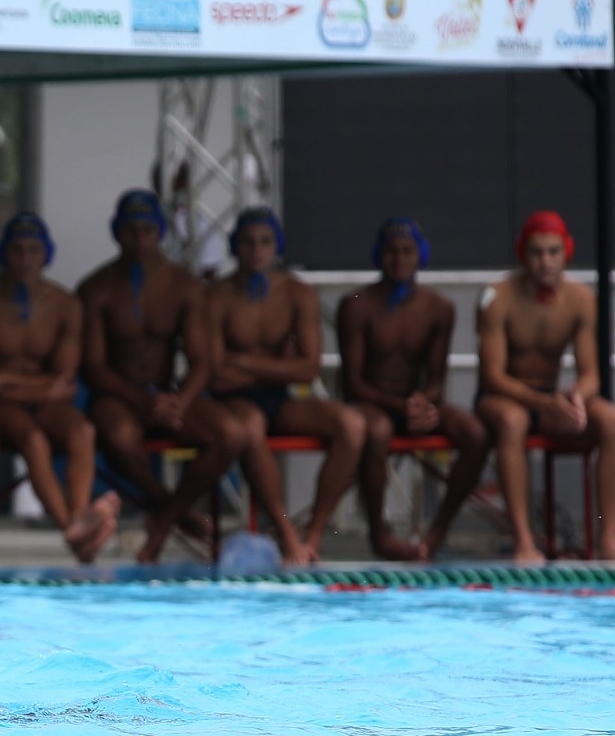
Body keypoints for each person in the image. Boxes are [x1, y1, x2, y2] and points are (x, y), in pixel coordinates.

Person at [78, 189, 244, 562]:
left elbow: (202, 362)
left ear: (161, 233)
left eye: (147, 231)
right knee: (120, 438)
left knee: (230, 434)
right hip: (117, 397)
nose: (139, 241)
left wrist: (178, 402)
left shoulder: (184, 286)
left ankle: (164, 520)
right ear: (116, 232)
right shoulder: (96, 290)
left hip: (167, 396)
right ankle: (177, 512)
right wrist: (144, 401)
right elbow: (93, 367)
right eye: (131, 231)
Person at [0, 213, 120, 563]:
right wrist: (39, 387)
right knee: (33, 440)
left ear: (46, 254)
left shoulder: (65, 304)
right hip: (7, 406)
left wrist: (4, 379)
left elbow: (65, 382)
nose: (25, 259)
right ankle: (74, 530)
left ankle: (78, 519)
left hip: (36, 399)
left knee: (82, 430)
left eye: (33, 250)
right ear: (4, 254)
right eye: (17, 250)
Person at [209, 207, 365, 564]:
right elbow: (216, 373)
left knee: (352, 425)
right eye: (247, 242)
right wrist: (279, 366)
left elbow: (308, 369)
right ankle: (286, 534)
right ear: (235, 247)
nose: (256, 250)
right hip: (233, 402)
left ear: (276, 246)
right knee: (250, 427)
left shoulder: (297, 293)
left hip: (277, 399)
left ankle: (313, 533)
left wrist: (246, 362)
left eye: (264, 242)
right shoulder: (217, 296)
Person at [336, 219, 488, 560]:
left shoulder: (438, 307)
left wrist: (426, 403)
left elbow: (436, 379)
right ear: (379, 256)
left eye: (407, 251)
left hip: (410, 403)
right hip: (370, 403)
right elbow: (353, 383)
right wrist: (402, 403)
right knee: (377, 430)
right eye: (391, 252)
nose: (399, 259)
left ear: (421, 255)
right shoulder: (356, 304)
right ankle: (378, 533)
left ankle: (438, 530)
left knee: (475, 434)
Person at [475, 210, 615, 564]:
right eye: (537, 253)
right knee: (513, 420)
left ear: (567, 252)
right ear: (523, 253)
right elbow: (492, 376)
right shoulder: (497, 296)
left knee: (610, 420)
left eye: (553, 252)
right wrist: (546, 403)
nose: (545, 262)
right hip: (502, 397)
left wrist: (575, 400)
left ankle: (609, 538)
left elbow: (591, 375)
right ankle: (523, 540)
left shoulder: (581, 299)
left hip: (550, 399)